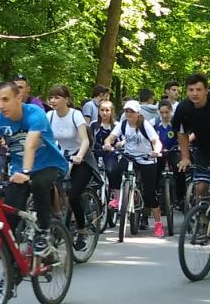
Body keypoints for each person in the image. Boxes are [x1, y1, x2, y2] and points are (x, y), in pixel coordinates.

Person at [0, 81, 70, 257]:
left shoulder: (35, 113)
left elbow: (31, 144)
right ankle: (13, 270)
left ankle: (43, 232)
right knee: (9, 220)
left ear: (18, 98)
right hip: (19, 170)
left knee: (39, 184)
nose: (1, 105)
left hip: (48, 164)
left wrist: (26, 173)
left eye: (5, 99)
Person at [105, 100, 165, 237]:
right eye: (126, 111)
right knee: (114, 171)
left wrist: (156, 151)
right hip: (129, 156)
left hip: (146, 158)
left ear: (138, 113)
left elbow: (156, 141)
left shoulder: (145, 125)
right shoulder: (123, 124)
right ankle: (117, 198)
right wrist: (108, 143)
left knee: (150, 194)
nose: (129, 114)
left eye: (132, 111)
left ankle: (158, 223)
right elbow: (111, 137)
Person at [47, 86, 93, 245]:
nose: (53, 101)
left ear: (66, 100)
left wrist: (79, 155)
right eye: (51, 97)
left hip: (82, 158)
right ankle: (57, 217)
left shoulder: (76, 115)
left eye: (57, 97)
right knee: (44, 185)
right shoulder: (49, 116)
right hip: (61, 157)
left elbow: (85, 140)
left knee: (73, 196)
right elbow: (44, 139)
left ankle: (82, 231)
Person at [90, 99, 119, 227]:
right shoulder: (93, 125)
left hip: (111, 154)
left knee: (112, 170)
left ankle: (115, 196)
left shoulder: (116, 126)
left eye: (107, 110)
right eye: (102, 110)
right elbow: (89, 140)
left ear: (111, 112)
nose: (104, 113)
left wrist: (117, 144)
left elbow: (122, 140)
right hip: (96, 153)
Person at [155, 99, 185, 216]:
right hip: (159, 152)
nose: (164, 115)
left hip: (173, 151)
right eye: (162, 112)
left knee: (179, 168)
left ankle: (180, 197)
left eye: (167, 112)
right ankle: (157, 196)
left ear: (171, 111)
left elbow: (183, 136)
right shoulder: (154, 123)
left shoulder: (176, 123)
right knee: (155, 172)